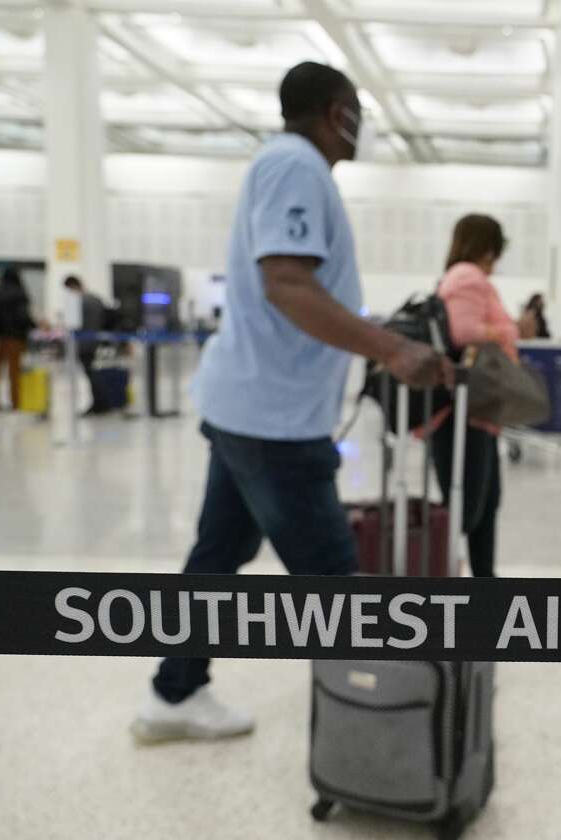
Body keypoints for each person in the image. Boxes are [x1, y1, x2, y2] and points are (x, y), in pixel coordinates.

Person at [133, 62, 448, 744]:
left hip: (252, 411)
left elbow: (302, 289)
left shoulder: (289, 167)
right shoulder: (295, 165)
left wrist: (380, 334)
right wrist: (390, 352)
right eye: (357, 110)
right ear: (338, 112)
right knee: (334, 584)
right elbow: (287, 283)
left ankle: (173, 693)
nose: (361, 124)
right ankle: (384, 746)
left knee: (217, 556)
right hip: (272, 424)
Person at [432, 214, 519, 578]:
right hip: (463, 415)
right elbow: (463, 330)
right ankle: (448, 579)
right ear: (489, 248)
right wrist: (504, 332)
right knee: (467, 508)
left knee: (485, 503)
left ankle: (485, 580)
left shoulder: (462, 276)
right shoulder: (468, 276)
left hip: (479, 414)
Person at [0, 267, 35, 411]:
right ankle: (15, 403)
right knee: (14, 373)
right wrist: (33, 326)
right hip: (13, 339)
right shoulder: (19, 293)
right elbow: (23, 316)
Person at [62, 275, 112, 415]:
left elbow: (73, 324)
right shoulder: (96, 299)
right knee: (94, 374)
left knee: (92, 374)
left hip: (84, 343)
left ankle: (100, 404)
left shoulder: (79, 301)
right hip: (96, 340)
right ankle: (100, 404)